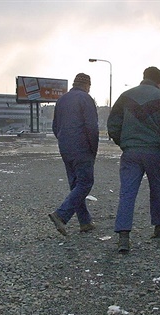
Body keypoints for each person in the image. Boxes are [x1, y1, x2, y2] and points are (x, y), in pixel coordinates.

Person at [107, 66, 160, 254]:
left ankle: (123, 236)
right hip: (155, 152)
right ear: (159, 82)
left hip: (131, 152)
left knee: (127, 192)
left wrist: (124, 142)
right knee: (158, 189)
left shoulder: (125, 96)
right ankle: (159, 226)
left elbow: (113, 124)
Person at [48, 73, 99, 236]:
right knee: (85, 183)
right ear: (87, 85)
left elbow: (55, 126)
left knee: (76, 184)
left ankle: (85, 222)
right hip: (82, 147)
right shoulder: (86, 98)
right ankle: (61, 215)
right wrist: (93, 149)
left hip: (65, 147)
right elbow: (91, 127)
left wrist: (64, 140)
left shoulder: (62, 100)